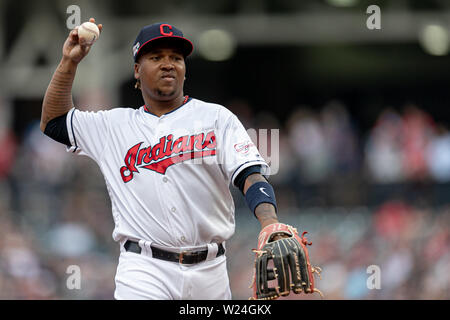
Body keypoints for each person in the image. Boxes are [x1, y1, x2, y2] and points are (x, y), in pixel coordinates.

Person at [41, 18, 307, 300]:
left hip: (211, 272)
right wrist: (69, 62)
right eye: (156, 57)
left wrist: (270, 222)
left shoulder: (216, 118)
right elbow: (55, 122)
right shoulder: (112, 126)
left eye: (176, 58)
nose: (168, 64)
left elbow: (250, 174)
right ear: (136, 71)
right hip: (144, 269)